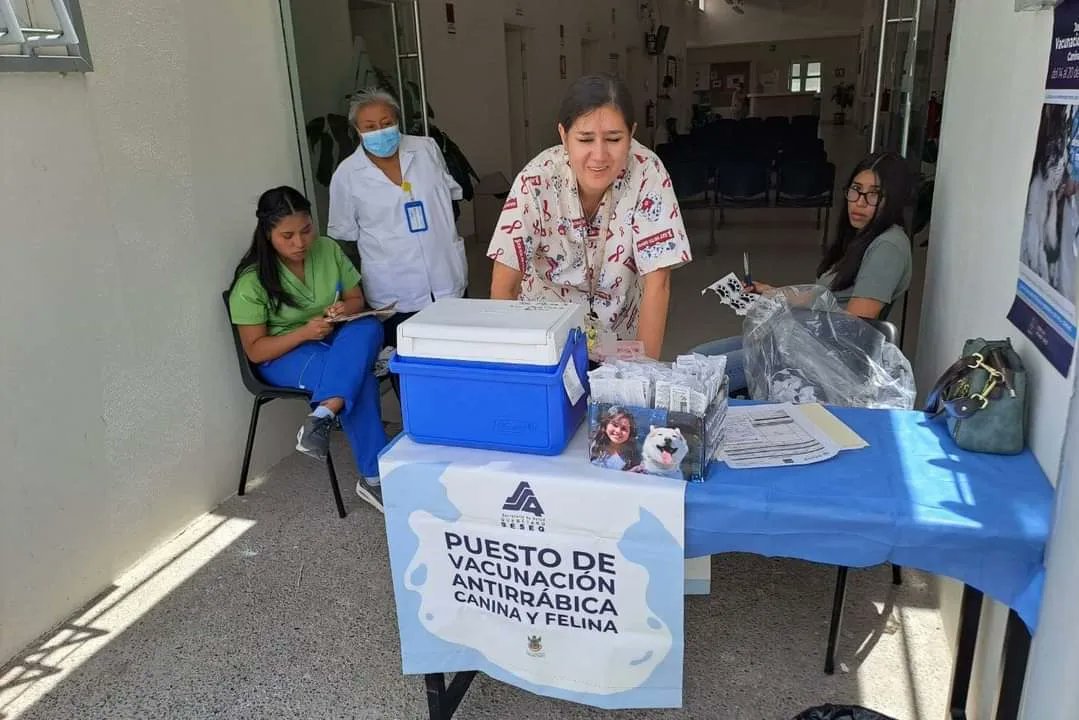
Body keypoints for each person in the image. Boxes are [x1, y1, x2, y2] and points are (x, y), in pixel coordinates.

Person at [488, 73, 692, 360]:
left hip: (620, 339)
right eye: (585, 139)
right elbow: (504, 285)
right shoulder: (536, 181)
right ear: (563, 135)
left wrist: (644, 371)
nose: (599, 155)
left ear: (631, 134)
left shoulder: (648, 173)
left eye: (614, 139)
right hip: (545, 339)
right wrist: (512, 368)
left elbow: (658, 283)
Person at [694, 151, 914, 394]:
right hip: (804, 343)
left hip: (825, 359)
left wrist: (791, 322)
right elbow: (822, 296)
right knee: (696, 358)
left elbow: (854, 327)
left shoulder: (888, 246)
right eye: (856, 190)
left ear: (893, 199)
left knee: (699, 374)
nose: (859, 202)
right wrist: (773, 293)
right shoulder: (861, 238)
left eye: (873, 195)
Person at [229, 186, 387, 512]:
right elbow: (256, 351)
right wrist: (303, 333)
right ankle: (375, 479)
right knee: (361, 379)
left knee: (370, 325)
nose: (300, 243)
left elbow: (356, 300)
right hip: (282, 355)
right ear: (268, 233)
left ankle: (324, 413)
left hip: (333, 340)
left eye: (306, 230)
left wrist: (342, 309)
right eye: (287, 236)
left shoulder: (327, 249)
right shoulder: (251, 282)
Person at [328, 88, 468, 361]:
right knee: (408, 364)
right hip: (394, 290)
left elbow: (449, 198)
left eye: (386, 123)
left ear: (397, 121)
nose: (380, 131)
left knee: (458, 357)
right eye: (370, 127)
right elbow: (344, 236)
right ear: (357, 129)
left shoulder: (426, 149)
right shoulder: (347, 174)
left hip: (446, 276)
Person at [590, 407, 642, 471]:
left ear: (630, 433)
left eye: (624, 428)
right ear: (605, 425)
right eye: (615, 425)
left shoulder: (634, 455)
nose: (618, 431)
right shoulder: (595, 444)